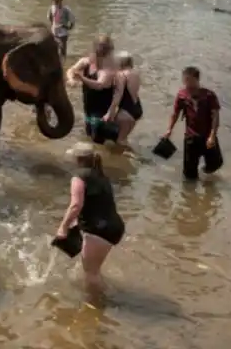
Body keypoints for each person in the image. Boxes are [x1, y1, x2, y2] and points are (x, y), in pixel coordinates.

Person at [55, 142, 125, 294]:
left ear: (77, 159)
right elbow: (97, 203)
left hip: (99, 230)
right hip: (114, 226)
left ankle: (96, 307)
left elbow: (76, 205)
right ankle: (102, 295)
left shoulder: (78, 178)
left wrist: (63, 227)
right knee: (94, 270)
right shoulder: (102, 176)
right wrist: (77, 223)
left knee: (91, 274)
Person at [161, 66, 221, 180]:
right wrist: (169, 129)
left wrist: (212, 136)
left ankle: (206, 181)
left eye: (190, 81)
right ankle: (190, 195)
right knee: (189, 174)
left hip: (207, 136)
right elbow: (175, 113)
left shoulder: (209, 95)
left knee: (215, 164)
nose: (187, 84)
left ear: (197, 80)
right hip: (190, 138)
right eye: (185, 81)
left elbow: (215, 117)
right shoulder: (182, 95)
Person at [67, 35, 119, 144]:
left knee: (97, 137)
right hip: (89, 105)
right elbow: (71, 69)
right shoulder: (86, 62)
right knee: (89, 132)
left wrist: (82, 78)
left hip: (102, 108)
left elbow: (99, 85)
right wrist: (71, 79)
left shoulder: (109, 68)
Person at [104, 52, 143, 146]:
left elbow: (118, 95)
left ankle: (130, 157)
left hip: (125, 111)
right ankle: (127, 158)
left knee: (119, 141)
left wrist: (109, 112)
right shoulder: (136, 73)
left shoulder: (121, 75)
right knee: (123, 139)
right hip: (137, 109)